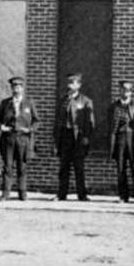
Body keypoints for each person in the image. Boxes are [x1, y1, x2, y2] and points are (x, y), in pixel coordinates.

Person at [0, 75, 37, 201]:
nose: (16, 89)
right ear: (11, 88)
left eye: (19, 86)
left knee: (22, 166)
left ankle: (22, 193)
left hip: (23, 139)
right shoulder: (5, 103)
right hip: (8, 138)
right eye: (14, 87)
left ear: (22, 88)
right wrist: (2, 127)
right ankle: (5, 193)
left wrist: (30, 129)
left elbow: (36, 121)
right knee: (7, 166)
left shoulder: (29, 103)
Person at [55, 72, 95, 201]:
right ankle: (61, 194)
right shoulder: (63, 100)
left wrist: (85, 138)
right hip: (65, 137)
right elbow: (57, 121)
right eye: (69, 82)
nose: (70, 85)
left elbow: (90, 122)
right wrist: (56, 139)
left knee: (79, 167)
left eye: (73, 82)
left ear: (79, 85)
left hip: (78, 137)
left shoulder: (85, 101)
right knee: (64, 167)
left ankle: (82, 195)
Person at [109, 81, 134, 203]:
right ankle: (123, 196)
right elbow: (110, 125)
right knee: (121, 167)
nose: (125, 92)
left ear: (131, 91)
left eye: (128, 90)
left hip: (133, 138)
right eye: (123, 89)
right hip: (120, 138)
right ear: (119, 91)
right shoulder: (114, 106)